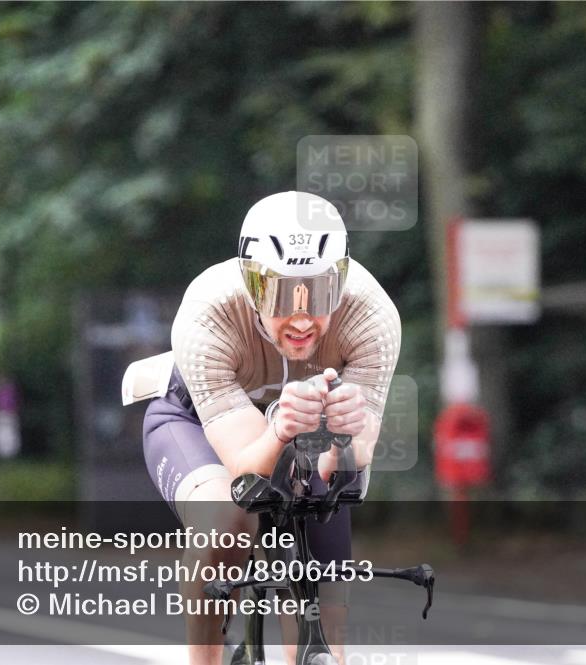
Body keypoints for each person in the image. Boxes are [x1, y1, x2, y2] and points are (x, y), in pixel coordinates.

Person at [139, 191, 401, 665]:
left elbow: (350, 464)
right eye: (281, 293)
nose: (301, 317)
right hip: (195, 423)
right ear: (250, 284)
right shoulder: (208, 311)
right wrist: (278, 430)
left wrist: (343, 436)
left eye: (319, 293)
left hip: (308, 429)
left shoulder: (370, 316)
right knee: (228, 524)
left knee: (324, 615)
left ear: (342, 283)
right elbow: (245, 467)